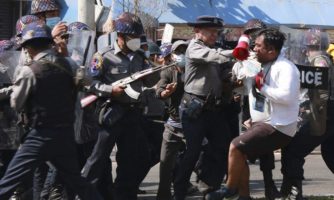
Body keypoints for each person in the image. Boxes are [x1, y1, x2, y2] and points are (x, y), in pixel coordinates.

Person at [0, 22, 102, 200]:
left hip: (39, 135)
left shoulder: (28, 70)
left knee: (9, 180)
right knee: (78, 182)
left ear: (28, 47)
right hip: (64, 135)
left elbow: (16, 103)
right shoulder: (68, 64)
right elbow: (85, 80)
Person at [206, 28, 300, 200]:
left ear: (271, 50)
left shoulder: (286, 68)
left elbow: (286, 97)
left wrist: (262, 87)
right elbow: (247, 89)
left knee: (236, 146)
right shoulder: (261, 64)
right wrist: (237, 80)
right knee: (239, 154)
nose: (253, 49)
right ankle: (244, 196)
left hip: (279, 126)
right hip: (264, 122)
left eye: (258, 46)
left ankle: (230, 189)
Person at [81, 12, 159, 200]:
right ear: (121, 37)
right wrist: (110, 89)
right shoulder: (104, 56)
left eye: (137, 38)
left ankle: (124, 195)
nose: (135, 41)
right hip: (111, 113)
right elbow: (90, 83)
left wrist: (153, 68)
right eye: (132, 37)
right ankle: (82, 193)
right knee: (97, 159)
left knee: (131, 160)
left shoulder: (140, 57)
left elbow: (149, 82)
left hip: (133, 115)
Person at [172, 15, 233, 200]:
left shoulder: (213, 49)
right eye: (211, 31)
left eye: (217, 32)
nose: (215, 35)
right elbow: (213, 57)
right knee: (192, 151)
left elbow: (225, 71)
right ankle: (180, 191)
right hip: (195, 107)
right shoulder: (194, 48)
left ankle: (209, 187)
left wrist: (235, 74)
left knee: (222, 147)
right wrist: (236, 53)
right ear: (197, 31)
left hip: (213, 108)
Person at [280, 28, 334, 199]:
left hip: (325, 114)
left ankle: (293, 192)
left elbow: (322, 89)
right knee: (330, 152)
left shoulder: (319, 60)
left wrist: (315, 106)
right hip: (327, 112)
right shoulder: (323, 57)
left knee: (293, 149)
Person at [231, 19, 280, 200]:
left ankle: (269, 185)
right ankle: (243, 192)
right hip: (247, 105)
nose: (254, 38)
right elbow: (236, 78)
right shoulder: (243, 56)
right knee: (241, 148)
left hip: (266, 104)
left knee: (266, 148)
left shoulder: (271, 57)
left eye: (257, 33)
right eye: (251, 34)